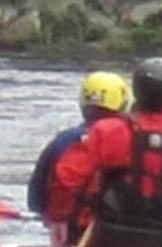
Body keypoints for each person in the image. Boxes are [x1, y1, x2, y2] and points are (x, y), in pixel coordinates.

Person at [47, 56, 162, 247]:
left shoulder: (107, 131)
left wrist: (59, 219)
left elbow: (68, 178)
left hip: (106, 236)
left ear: (135, 90)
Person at [27, 71, 129, 220]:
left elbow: (35, 201)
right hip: (121, 228)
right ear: (122, 105)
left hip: (69, 228)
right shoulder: (134, 139)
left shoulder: (62, 140)